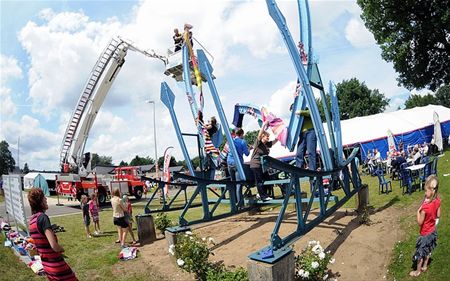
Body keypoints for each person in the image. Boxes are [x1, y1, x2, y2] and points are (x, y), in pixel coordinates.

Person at [27, 188, 78, 280]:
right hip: (56, 265)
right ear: (40, 201)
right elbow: (54, 245)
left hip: (47, 266)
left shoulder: (31, 221)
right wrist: (61, 248)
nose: (46, 200)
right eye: (44, 198)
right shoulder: (43, 218)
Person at [409, 175, 441, 277]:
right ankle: (425, 266)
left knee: (420, 254)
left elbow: (419, 222)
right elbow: (438, 215)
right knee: (428, 250)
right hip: (432, 232)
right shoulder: (437, 201)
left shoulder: (425, 208)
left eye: (425, 191)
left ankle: (417, 271)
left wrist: (418, 212)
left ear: (432, 191)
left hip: (425, 234)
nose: (424, 193)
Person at [250, 120, 278, 201]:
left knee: (267, 179)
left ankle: (261, 194)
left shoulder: (266, 144)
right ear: (262, 137)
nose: (268, 138)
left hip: (262, 165)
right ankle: (263, 196)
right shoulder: (259, 143)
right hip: (256, 164)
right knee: (259, 181)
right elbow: (259, 134)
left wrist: (280, 136)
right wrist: (264, 125)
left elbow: (274, 142)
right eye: (267, 137)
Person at [227, 128, 250, 205]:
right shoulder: (243, 141)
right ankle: (240, 204)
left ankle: (234, 202)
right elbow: (247, 153)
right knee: (238, 184)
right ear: (242, 134)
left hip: (229, 162)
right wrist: (249, 149)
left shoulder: (231, 141)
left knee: (232, 183)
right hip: (237, 163)